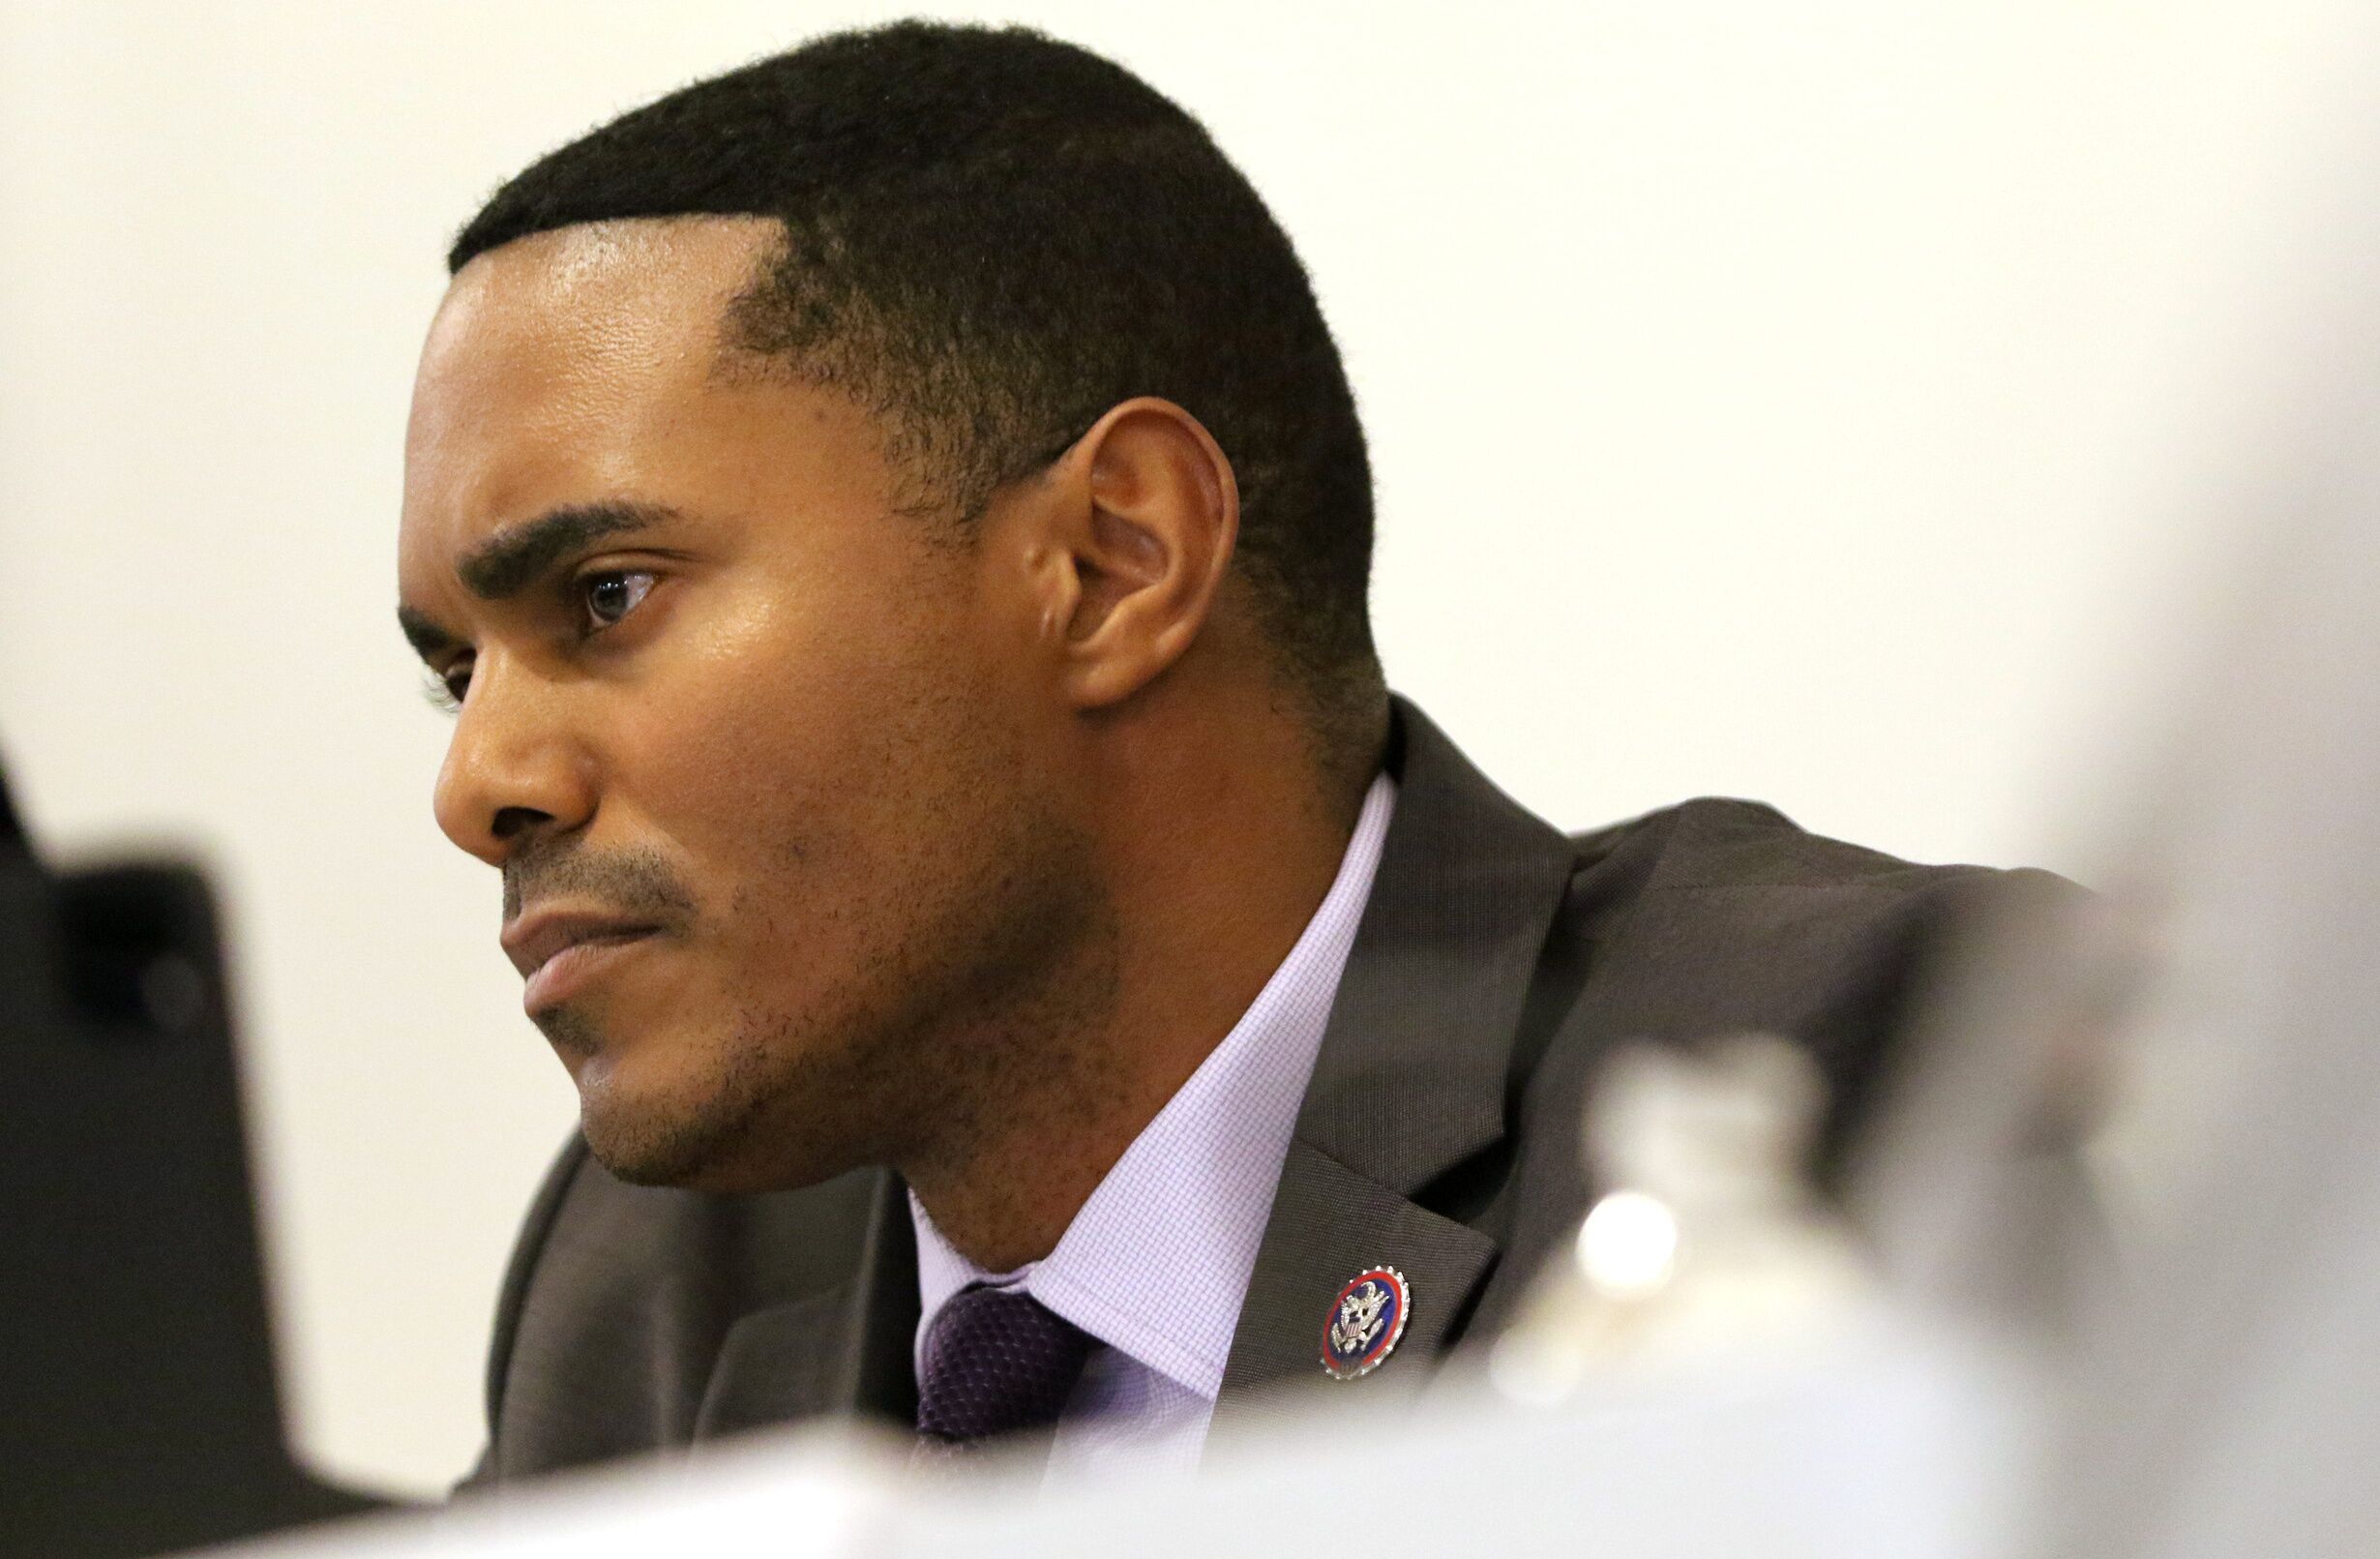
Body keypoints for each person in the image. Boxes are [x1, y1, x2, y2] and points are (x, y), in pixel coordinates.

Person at [394, 20, 2062, 1485]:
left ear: (1115, 562)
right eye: (454, 673)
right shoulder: (656, 1283)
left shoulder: (1872, 1065)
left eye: (605, 598)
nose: (481, 788)